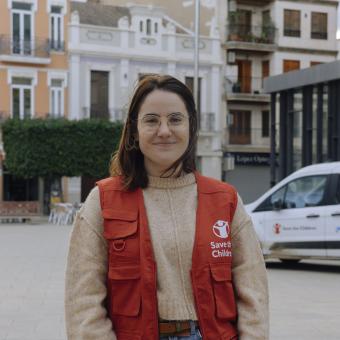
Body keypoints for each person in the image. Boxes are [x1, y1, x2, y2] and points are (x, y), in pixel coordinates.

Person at [65, 74, 269, 340]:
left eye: (175, 119)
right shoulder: (102, 201)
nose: (164, 130)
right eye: (151, 120)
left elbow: (254, 296)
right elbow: (84, 303)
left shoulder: (225, 201)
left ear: (190, 126)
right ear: (135, 131)